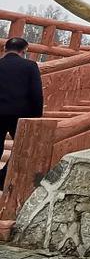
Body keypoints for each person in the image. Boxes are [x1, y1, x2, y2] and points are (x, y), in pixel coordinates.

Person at [0, 37, 44, 187]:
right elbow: (36, 93)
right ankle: (3, 177)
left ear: (5, 49)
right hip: (21, 115)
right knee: (22, 148)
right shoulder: (30, 66)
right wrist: (36, 116)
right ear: (24, 51)